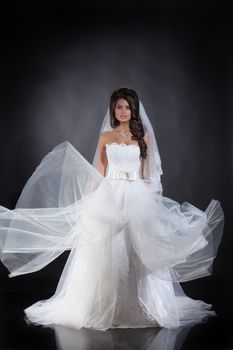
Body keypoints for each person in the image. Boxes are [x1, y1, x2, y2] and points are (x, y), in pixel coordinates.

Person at [0, 87, 224, 330]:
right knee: (109, 245)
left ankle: (144, 305)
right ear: (113, 109)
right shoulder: (106, 137)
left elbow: (148, 173)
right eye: (119, 106)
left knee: (138, 246)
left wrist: (153, 201)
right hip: (111, 193)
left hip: (138, 194)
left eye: (128, 107)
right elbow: (100, 171)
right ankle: (104, 305)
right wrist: (91, 199)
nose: (123, 111)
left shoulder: (143, 136)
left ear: (134, 110)